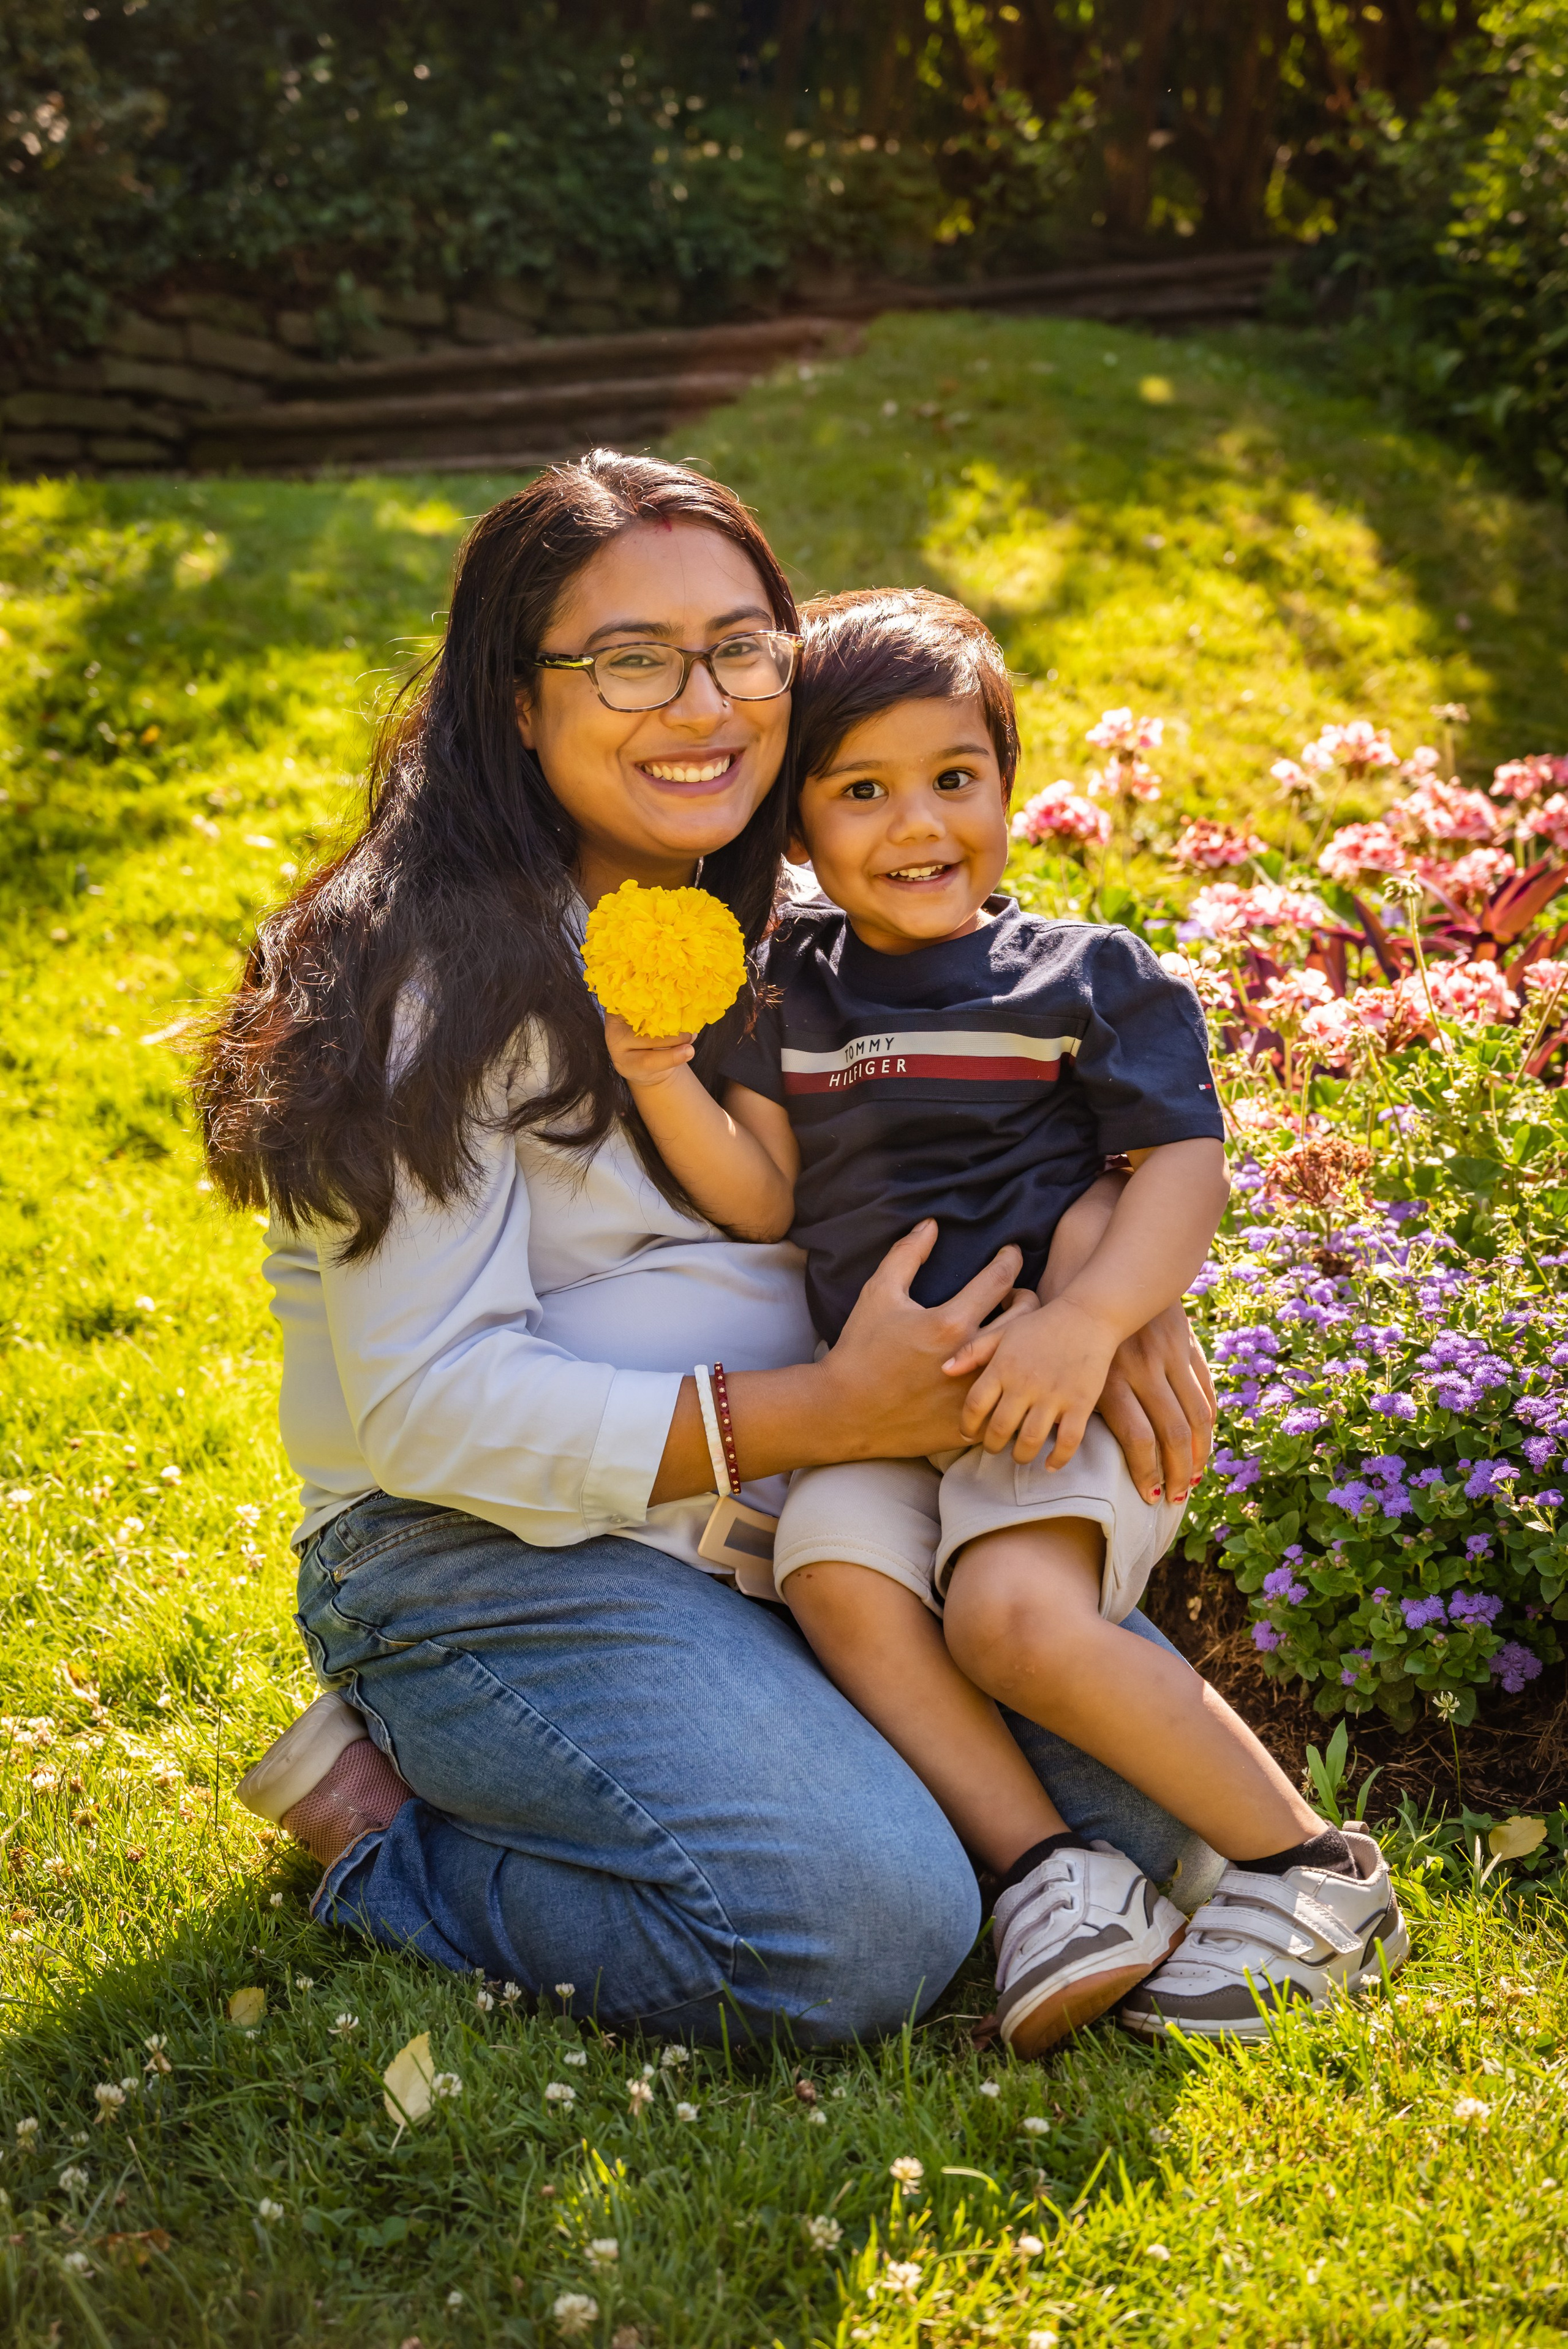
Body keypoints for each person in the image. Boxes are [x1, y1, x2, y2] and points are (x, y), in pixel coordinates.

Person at [203, 450, 1226, 2051]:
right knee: (862, 1931)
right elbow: (423, 1410)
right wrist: (831, 1415)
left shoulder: (790, 932)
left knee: (1139, 1808)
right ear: (517, 701)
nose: (705, 704)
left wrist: (1101, 1280)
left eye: (744, 648)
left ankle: (755, 1748)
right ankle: (393, 1829)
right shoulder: (413, 973)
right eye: (630, 660)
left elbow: (1011, 1128)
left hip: (803, 1528)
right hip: (483, 1547)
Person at [604, 586, 1408, 2052]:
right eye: (861, 791)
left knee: (1009, 1617)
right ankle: (1060, 1872)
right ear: (794, 829)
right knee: (837, 1585)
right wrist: (661, 1076)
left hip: (1052, 1387)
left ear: (1006, 786)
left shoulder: (1085, 977)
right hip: (878, 1402)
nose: (917, 824)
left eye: (953, 778)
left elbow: (1180, 1163)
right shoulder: (788, 994)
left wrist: (1090, 1320)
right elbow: (761, 1197)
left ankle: (1316, 1870)